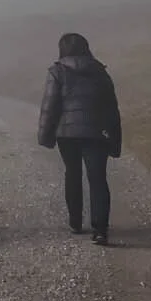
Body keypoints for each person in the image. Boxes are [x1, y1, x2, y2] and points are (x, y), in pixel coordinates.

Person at [37, 31, 121, 244]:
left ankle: (75, 222)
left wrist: (45, 136)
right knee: (98, 179)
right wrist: (115, 141)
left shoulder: (57, 71)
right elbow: (112, 109)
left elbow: (50, 106)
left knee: (72, 174)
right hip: (97, 133)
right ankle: (100, 229)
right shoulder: (100, 71)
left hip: (67, 133)